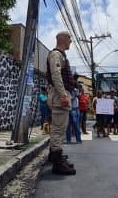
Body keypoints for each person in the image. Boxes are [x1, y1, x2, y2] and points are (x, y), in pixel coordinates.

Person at [46, 31, 77, 175]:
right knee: (58, 130)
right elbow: (56, 75)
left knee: (59, 129)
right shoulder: (56, 54)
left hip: (61, 95)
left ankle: (55, 156)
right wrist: (64, 95)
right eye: (69, 39)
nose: (71, 41)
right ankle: (57, 164)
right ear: (63, 39)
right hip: (59, 96)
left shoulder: (61, 55)